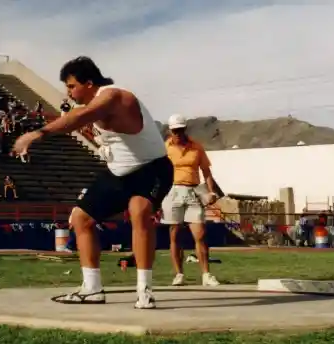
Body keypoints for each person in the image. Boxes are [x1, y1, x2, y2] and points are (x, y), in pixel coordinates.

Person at [13, 56, 174, 309]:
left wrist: (38, 133)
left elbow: (82, 115)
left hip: (151, 168)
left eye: (71, 86)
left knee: (139, 211)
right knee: (80, 218)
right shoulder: (95, 106)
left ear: (89, 83)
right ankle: (92, 288)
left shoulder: (114, 97)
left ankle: (145, 291)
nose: (68, 92)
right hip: (118, 172)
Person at [161, 114, 220, 287]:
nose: (177, 133)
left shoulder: (197, 147)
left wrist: (211, 192)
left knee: (200, 234)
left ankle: (206, 275)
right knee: (174, 235)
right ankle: (179, 274)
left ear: (185, 129)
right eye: (174, 130)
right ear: (170, 131)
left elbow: (206, 171)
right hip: (172, 191)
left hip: (193, 191)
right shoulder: (164, 148)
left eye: (180, 130)